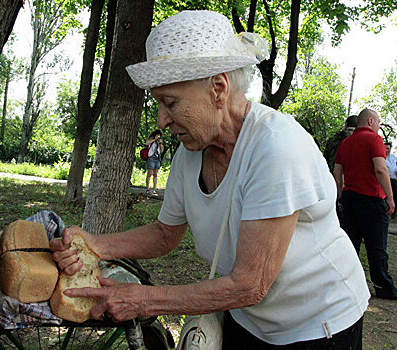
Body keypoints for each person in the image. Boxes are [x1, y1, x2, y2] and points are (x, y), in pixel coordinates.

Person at [51, 10, 369, 348]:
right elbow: (165, 234)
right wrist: (96, 245)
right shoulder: (189, 153)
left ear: (218, 88)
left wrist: (144, 300)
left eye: (169, 102)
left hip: (318, 325)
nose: (161, 120)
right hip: (247, 317)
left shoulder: (276, 147)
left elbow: (250, 284)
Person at [334, 109, 397, 301]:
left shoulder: (344, 144)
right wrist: (389, 197)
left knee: (350, 245)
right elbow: (380, 169)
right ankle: (383, 287)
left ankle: (345, 283)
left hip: (350, 198)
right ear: (370, 121)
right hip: (371, 198)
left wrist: (340, 197)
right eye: (378, 122)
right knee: (376, 246)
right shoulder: (374, 140)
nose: (379, 126)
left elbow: (337, 174)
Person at [144, 129, 163, 195]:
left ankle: (154, 189)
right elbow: (146, 143)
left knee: (155, 174)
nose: (158, 137)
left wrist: (160, 142)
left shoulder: (159, 142)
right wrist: (154, 139)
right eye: (158, 135)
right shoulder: (151, 140)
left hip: (157, 158)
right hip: (151, 158)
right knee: (150, 173)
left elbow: (161, 149)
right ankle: (148, 189)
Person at [385, 141, 397, 207]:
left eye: (388, 149)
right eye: (385, 148)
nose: (387, 150)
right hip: (386, 180)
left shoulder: (393, 157)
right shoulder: (382, 157)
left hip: (394, 179)